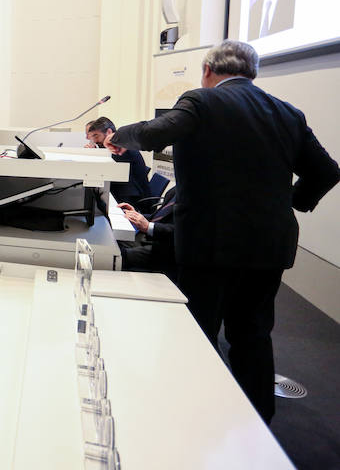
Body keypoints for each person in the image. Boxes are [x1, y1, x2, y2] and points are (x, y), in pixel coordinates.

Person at [103, 40, 340, 424]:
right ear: (253, 73)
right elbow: (327, 171)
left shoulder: (201, 101)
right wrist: (290, 202)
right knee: (253, 334)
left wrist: (117, 137)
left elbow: (152, 134)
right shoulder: (287, 113)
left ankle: (195, 419)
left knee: (200, 331)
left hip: (211, 244)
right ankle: (257, 425)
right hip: (270, 247)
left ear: (208, 71)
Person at [85, 117, 152, 211]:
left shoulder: (121, 146)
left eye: (96, 136)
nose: (95, 140)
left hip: (133, 200)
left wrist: (93, 154)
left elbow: (108, 172)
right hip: (125, 191)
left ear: (108, 132)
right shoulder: (119, 144)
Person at [117, 187, 178, 281]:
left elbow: (180, 234)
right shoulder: (178, 189)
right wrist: (135, 215)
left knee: (117, 255)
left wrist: (148, 226)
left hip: (165, 251)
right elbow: (160, 217)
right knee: (115, 240)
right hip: (152, 238)